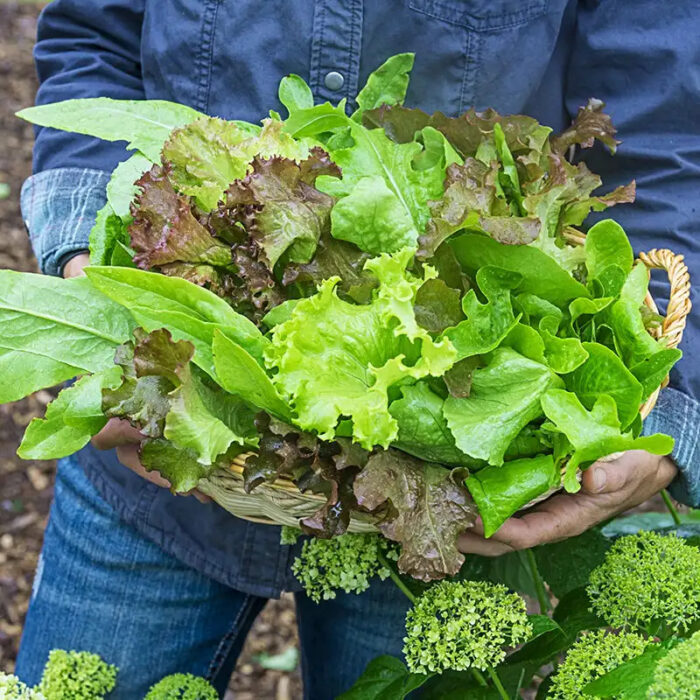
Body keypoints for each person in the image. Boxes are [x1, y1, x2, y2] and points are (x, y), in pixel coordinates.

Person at [15, 1, 700, 697]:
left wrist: (665, 403)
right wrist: (92, 279)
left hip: (446, 495)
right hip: (157, 473)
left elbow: (666, 126)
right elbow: (94, 34)